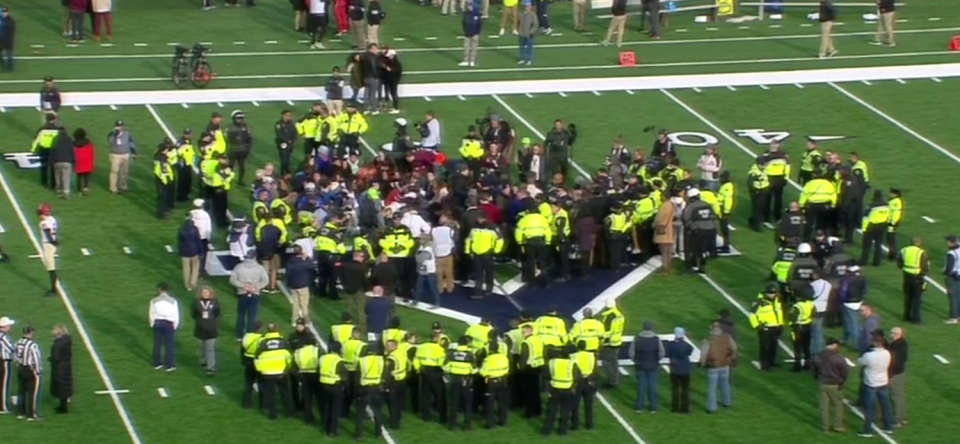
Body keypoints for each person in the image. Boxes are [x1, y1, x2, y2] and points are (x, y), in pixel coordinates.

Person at [858, 331, 895, 437]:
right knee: (885, 405)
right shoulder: (887, 353)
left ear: (874, 342)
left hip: (871, 383)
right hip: (883, 382)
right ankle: (888, 426)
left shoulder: (869, 355)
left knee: (869, 407)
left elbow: (860, 361)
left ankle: (868, 430)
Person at [256, 324, 294, 420]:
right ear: (277, 329)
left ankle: (273, 415)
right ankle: (290, 413)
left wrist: (261, 370)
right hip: (281, 372)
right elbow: (289, 356)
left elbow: (257, 358)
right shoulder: (283, 341)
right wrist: (287, 368)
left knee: (270, 395)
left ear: (267, 331)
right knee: (285, 393)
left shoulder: (262, 342)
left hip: (267, 373)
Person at [229, 250, 269, 340]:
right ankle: (250, 335)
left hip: (242, 293)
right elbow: (265, 281)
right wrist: (256, 287)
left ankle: (239, 335)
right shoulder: (260, 268)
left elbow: (232, 280)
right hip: (255, 294)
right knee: (252, 316)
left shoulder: (239, 267)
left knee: (241, 315)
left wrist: (243, 286)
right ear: (255, 257)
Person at [813, 337, 848, 433]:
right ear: (834, 345)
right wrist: (842, 382)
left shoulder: (817, 356)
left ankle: (825, 427)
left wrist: (818, 378)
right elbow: (844, 373)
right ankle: (838, 426)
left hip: (822, 382)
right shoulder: (838, 358)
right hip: (834, 384)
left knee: (824, 406)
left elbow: (815, 370)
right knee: (838, 405)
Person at [700, 321, 735, 413]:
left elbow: (704, 353)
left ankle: (712, 408)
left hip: (713, 366)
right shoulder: (727, 337)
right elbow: (734, 348)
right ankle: (727, 402)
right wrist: (732, 358)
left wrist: (702, 363)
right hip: (725, 364)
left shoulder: (709, 340)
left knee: (712, 387)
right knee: (725, 383)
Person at [543, 346, 578, 435]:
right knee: (565, 411)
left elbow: (546, 375)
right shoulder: (572, 363)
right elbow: (576, 377)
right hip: (567, 389)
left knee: (551, 410)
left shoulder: (552, 362)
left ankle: (547, 430)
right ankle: (562, 430)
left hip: (554, 388)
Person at [630, 320, 663, 413]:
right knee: (652, 386)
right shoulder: (656, 339)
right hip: (653, 366)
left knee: (641, 386)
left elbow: (631, 353)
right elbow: (662, 352)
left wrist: (636, 361)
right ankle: (653, 407)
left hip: (640, 365)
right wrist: (656, 360)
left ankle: (639, 406)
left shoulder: (637, 339)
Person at [682, 188, 716, 273]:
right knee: (703, 249)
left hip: (698, 230)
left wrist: (693, 227)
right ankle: (702, 267)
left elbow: (686, 218)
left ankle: (690, 267)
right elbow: (713, 217)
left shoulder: (691, 206)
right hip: (710, 230)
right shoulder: (707, 205)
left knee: (692, 249)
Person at [749, 284, 783, 371]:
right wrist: (757, 325)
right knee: (765, 347)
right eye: (770, 293)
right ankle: (764, 365)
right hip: (765, 328)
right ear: (766, 293)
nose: (772, 294)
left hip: (776, 327)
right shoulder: (759, 302)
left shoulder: (777, 300)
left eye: (774, 292)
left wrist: (781, 324)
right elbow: (752, 315)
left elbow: (779, 313)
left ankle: (772, 361)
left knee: (773, 346)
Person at [356, 345, 386, 438]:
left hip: (364, 388)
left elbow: (357, 377)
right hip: (376, 388)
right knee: (378, 411)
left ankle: (358, 434)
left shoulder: (361, 361)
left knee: (360, 413)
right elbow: (384, 374)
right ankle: (378, 432)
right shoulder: (381, 360)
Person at [479, 337, 509, 429]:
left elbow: (483, 372)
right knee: (502, 403)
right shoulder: (504, 357)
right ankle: (503, 421)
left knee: (490, 403)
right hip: (502, 381)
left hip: (491, 383)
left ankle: (490, 424)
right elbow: (507, 369)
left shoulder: (488, 360)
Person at [318, 341, 347, 437]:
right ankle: (332, 431)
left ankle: (325, 428)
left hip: (323, 385)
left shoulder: (322, 358)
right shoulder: (339, 360)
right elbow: (343, 376)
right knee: (335, 409)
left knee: (326, 408)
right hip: (335, 386)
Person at [149, 283, 180, 371]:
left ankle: (157, 363)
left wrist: (152, 324)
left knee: (157, 344)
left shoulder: (154, 300)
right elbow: (176, 314)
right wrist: (175, 325)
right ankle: (169, 365)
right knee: (169, 344)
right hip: (168, 323)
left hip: (158, 322)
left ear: (159, 290)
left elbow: (151, 313)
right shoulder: (173, 301)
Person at [898, 237, 928, 324]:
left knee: (907, 297)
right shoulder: (921, 252)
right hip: (917, 277)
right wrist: (922, 275)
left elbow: (899, 263)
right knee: (916, 298)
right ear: (919, 243)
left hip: (906, 276)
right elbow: (924, 267)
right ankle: (916, 319)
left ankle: (906, 316)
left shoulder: (904, 250)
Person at [15, 325, 42, 420]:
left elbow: (16, 356)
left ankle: (21, 412)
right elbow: (36, 359)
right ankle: (32, 415)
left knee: (21, 391)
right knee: (32, 392)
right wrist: (38, 371)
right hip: (29, 370)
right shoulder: (32, 345)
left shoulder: (18, 342)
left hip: (21, 368)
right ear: (30, 333)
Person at [191, 286, 220, 376]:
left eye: (207, 292)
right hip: (200, 328)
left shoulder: (214, 302)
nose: (205, 294)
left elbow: (217, 313)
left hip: (211, 329)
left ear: (210, 293)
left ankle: (211, 368)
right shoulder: (196, 302)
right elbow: (193, 314)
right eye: (203, 292)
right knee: (201, 347)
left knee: (210, 349)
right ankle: (203, 360)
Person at [293, 335, 320, 424]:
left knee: (307, 398)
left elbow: (294, 367)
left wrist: (299, 377)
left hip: (303, 376)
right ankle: (323, 418)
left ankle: (308, 419)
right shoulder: (316, 351)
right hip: (315, 376)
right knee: (319, 397)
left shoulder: (298, 352)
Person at [666, 327, 693, 414]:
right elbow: (690, 351)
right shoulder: (686, 345)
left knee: (675, 389)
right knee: (685, 390)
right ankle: (685, 408)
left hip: (674, 369)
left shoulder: (671, 345)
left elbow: (668, 353)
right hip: (685, 369)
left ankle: (675, 407)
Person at [599, 298, 625, 387]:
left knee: (606, 362)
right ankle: (616, 377)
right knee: (614, 361)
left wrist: (602, 341)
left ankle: (612, 381)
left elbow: (607, 332)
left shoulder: (610, 317)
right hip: (617, 341)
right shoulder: (619, 314)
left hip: (610, 342)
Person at [107, 120, 137, 194]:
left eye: (121, 126)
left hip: (125, 154)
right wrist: (115, 134)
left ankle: (123, 186)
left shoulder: (127, 134)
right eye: (118, 126)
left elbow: (131, 142)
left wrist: (134, 152)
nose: (120, 127)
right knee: (114, 171)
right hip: (115, 155)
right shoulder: (113, 134)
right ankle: (113, 188)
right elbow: (109, 141)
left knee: (124, 172)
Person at [860, 190, 889, 266]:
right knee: (878, 245)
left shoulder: (871, 206)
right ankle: (877, 262)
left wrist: (864, 229)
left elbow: (865, 218)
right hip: (882, 226)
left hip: (872, 227)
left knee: (867, 246)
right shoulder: (886, 205)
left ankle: (863, 261)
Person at [49, 324, 72, 414]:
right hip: (67, 365)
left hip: (59, 368)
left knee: (61, 386)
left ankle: (63, 408)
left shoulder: (57, 344)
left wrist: (50, 358)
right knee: (65, 386)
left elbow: (56, 357)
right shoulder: (67, 340)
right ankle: (63, 405)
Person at [241, 321, 265, 409]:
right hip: (259, 362)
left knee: (248, 383)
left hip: (249, 361)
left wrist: (243, 361)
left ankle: (246, 403)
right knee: (261, 383)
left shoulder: (247, 336)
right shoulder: (263, 339)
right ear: (260, 328)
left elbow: (242, 349)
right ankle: (263, 404)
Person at [38, 203, 60, 297]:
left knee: (51, 269)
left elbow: (48, 235)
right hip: (51, 244)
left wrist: (53, 242)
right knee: (51, 268)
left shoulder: (44, 223)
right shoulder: (52, 219)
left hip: (48, 245)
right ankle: (54, 289)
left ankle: (53, 290)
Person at [888, 327, 908, 428]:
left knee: (895, 397)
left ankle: (896, 420)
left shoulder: (895, 346)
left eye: (891, 333)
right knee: (900, 396)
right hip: (901, 372)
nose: (889, 335)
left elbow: (893, 362)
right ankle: (903, 417)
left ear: (895, 334)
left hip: (895, 374)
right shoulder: (903, 343)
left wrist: (889, 374)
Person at [789, 292, 815, 371]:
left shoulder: (797, 306)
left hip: (798, 327)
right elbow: (813, 314)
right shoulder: (810, 304)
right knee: (806, 347)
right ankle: (807, 365)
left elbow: (792, 317)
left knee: (797, 347)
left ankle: (797, 366)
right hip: (807, 326)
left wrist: (792, 325)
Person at [178, 216, 203, 291]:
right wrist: (201, 251)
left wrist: (180, 251)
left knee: (186, 269)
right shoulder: (195, 229)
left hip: (185, 252)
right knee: (195, 267)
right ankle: (193, 282)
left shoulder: (181, 230)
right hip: (194, 251)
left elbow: (180, 242)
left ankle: (187, 285)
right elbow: (198, 241)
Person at [72, 128, 93, 196]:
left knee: (79, 176)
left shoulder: (73, 144)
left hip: (78, 162)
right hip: (86, 161)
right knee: (86, 175)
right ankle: (86, 187)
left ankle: (79, 191)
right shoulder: (88, 142)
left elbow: (72, 153)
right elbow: (92, 152)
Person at [944, 235, 960, 324]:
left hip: (953, 276)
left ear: (951, 242)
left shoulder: (951, 253)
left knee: (953, 296)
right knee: (958, 295)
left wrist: (945, 274)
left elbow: (949, 267)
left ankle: (953, 317)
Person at [461, 2, 482, 67]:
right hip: (467, 34)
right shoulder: (466, 14)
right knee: (466, 47)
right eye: (469, 6)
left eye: (470, 6)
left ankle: (472, 61)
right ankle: (466, 61)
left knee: (474, 48)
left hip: (475, 34)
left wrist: (477, 33)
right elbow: (463, 23)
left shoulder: (477, 15)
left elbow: (479, 25)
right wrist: (465, 31)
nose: (469, 7)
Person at [0, 316, 14, 414]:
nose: (10, 327)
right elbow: (11, 348)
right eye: (8, 325)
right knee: (4, 385)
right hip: (4, 362)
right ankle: (2, 407)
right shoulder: (3, 337)